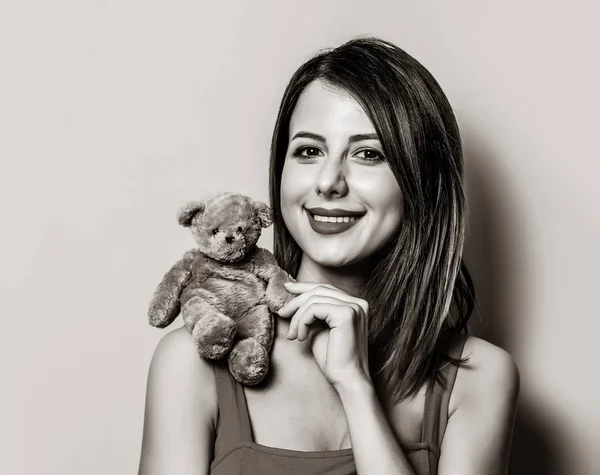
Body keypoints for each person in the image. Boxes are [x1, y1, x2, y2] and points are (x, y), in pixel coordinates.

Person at [138, 36, 519, 475]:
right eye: (309, 151)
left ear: (420, 183)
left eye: (369, 154)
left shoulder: (479, 378)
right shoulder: (193, 362)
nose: (328, 182)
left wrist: (355, 387)